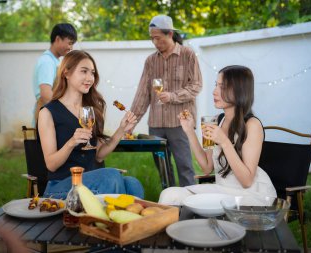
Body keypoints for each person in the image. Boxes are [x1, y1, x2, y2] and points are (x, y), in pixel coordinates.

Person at [158, 65, 277, 205]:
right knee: (169, 194)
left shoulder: (252, 125)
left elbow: (247, 181)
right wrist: (189, 131)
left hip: (250, 195)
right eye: (216, 85)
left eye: (222, 87)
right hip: (223, 191)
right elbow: (207, 167)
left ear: (239, 90)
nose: (215, 92)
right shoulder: (216, 121)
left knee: (175, 197)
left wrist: (224, 142)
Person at [38, 50, 144, 199]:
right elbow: (51, 164)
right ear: (66, 73)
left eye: (92, 73)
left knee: (133, 184)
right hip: (61, 185)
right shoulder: (48, 113)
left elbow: (99, 156)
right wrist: (71, 143)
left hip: (94, 181)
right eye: (84, 71)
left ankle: (123, 220)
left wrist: (121, 129)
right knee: (111, 176)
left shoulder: (93, 109)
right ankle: (112, 219)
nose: (90, 78)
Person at [130, 15, 203, 187]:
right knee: (163, 169)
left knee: (185, 167)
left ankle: (190, 206)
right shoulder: (150, 61)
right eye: (152, 39)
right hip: (156, 124)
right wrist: (131, 121)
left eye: (158, 38)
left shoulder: (188, 55)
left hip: (180, 123)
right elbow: (142, 94)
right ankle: (171, 203)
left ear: (170, 34)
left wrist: (173, 96)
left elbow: (196, 85)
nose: (155, 42)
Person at [33, 23, 77, 124]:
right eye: (69, 43)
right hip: (47, 120)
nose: (71, 47)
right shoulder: (47, 61)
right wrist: (65, 115)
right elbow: (46, 95)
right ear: (57, 39)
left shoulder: (55, 61)